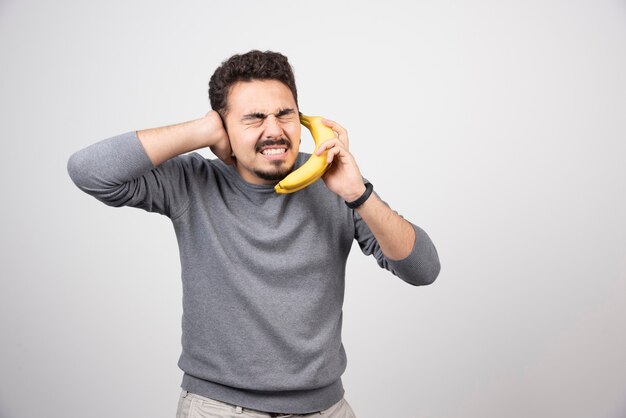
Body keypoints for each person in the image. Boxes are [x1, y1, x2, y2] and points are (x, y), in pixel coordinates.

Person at [67, 50, 441, 418]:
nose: (274, 130)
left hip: (325, 408)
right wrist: (201, 131)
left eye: (285, 114)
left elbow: (423, 270)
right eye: (254, 118)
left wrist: (358, 195)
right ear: (224, 126)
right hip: (218, 409)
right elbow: (88, 171)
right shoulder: (192, 181)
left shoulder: (336, 183)